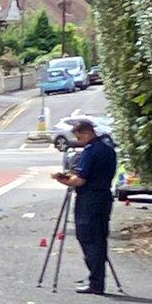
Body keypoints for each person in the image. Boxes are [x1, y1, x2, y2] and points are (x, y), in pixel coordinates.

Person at [52, 120, 118, 294]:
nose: (78, 140)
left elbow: (80, 180)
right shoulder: (108, 150)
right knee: (100, 238)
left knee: (88, 238)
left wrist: (62, 179)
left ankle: (96, 282)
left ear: (88, 133)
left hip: (89, 199)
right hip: (104, 197)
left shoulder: (90, 152)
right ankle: (98, 278)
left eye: (79, 136)